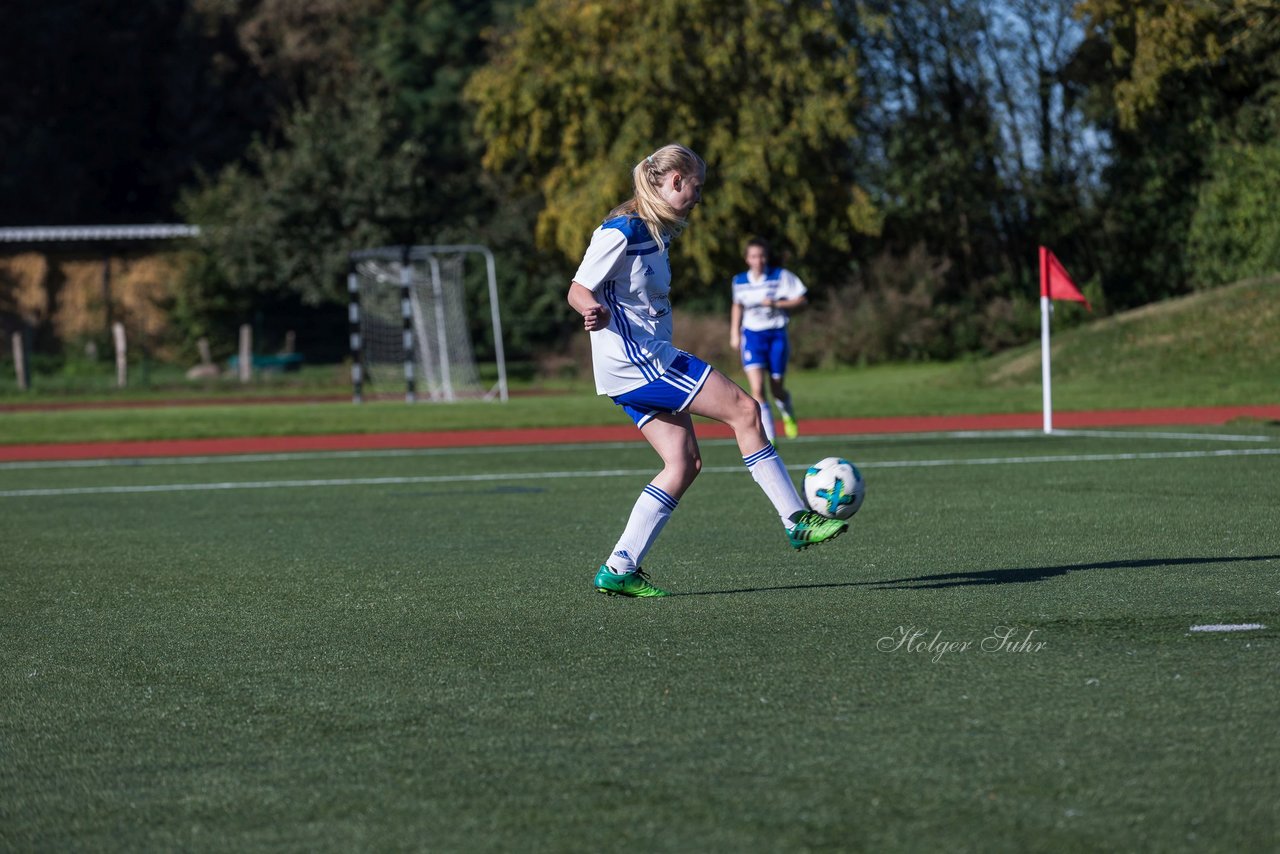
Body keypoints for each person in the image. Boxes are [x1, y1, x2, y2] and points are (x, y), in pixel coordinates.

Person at [566, 144, 848, 598]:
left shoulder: (657, 231)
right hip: (641, 361)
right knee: (745, 410)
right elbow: (578, 288)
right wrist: (591, 308)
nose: (698, 197)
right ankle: (797, 518)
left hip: (632, 366)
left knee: (683, 463)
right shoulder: (621, 230)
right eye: (695, 187)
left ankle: (620, 567)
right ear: (675, 181)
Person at [728, 239, 807, 441]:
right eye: (754, 256)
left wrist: (776, 303)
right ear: (747, 259)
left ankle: (787, 412)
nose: (759, 260)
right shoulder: (739, 281)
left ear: (766, 257)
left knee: (777, 387)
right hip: (753, 336)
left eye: (762, 256)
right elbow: (737, 305)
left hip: (776, 334)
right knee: (757, 389)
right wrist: (734, 333)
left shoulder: (780, 276)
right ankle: (769, 436)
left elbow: (801, 299)